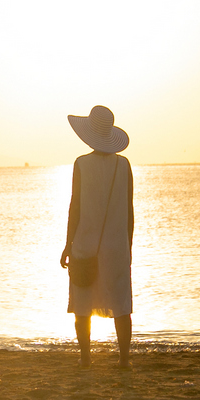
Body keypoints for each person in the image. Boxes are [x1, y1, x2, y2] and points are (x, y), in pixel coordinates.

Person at [59, 105, 134, 369]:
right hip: (117, 247)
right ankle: (124, 360)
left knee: (82, 303)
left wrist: (67, 245)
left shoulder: (81, 164)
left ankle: (85, 358)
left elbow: (75, 207)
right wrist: (129, 248)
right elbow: (129, 212)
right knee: (121, 304)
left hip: (85, 245)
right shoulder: (124, 165)